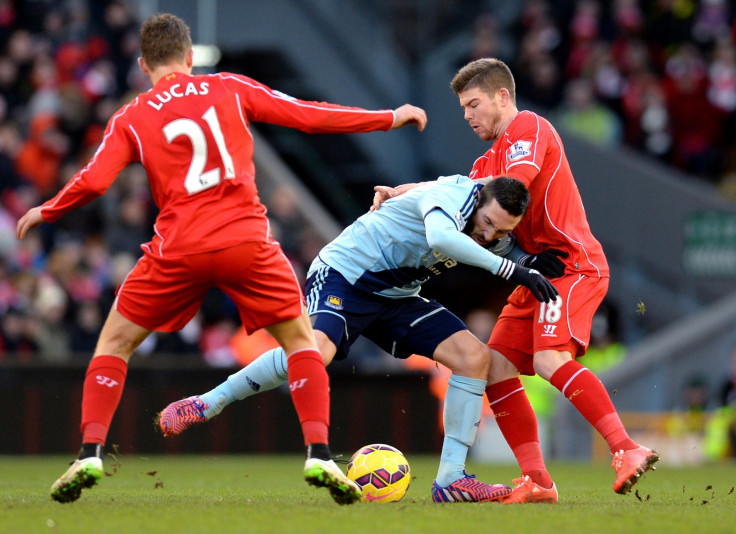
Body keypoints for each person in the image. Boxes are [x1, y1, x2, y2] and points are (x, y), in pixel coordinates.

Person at [15, 13, 428, 505]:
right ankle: (318, 452)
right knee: (300, 341)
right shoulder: (228, 86)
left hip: (178, 248)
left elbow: (96, 180)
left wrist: (49, 207)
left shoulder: (132, 115)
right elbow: (306, 114)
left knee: (115, 343)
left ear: (144, 64)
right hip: (245, 242)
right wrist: (388, 118)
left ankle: (89, 451)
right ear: (190, 57)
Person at [158, 175, 559, 503]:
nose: (489, 235)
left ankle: (452, 479)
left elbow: (502, 248)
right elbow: (440, 239)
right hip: (345, 276)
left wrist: (527, 260)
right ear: (478, 199)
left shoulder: (489, 224)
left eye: (500, 231)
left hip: (396, 295)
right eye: (487, 223)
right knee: (315, 354)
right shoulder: (453, 196)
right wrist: (512, 270)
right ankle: (207, 402)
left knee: (474, 357)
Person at [372, 57, 658, 503]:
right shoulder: (489, 156)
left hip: (571, 265)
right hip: (534, 273)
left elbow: (512, 189)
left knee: (547, 360)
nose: (467, 116)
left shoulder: (529, 127)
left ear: (502, 97)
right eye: (463, 108)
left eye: (474, 104)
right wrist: (400, 193)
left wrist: (456, 201)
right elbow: (457, 190)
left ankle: (625, 448)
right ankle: (537, 481)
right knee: (496, 367)